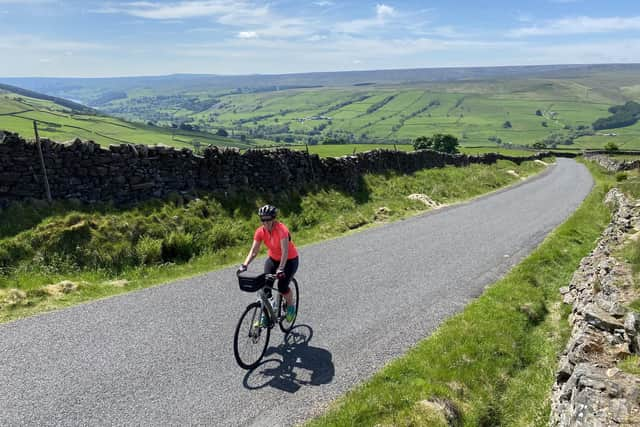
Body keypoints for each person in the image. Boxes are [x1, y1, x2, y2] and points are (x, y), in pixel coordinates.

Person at [239, 204, 299, 323]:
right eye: (263, 219)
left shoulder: (282, 230)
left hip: (289, 260)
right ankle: (267, 313)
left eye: (268, 219)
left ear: (273, 218)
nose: (265, 222)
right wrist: (244, 265)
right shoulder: (260, 232)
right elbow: (254, 251)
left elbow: (285, 251)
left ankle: (291, 306)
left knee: (282, 287)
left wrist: (281, 268)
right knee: (265, 285)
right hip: (273, 259)